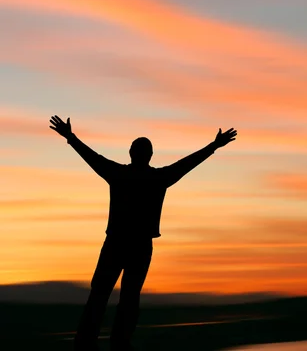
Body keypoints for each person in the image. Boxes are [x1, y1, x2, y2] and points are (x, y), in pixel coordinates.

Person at [49, 115, 237, 351]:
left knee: (105, 294)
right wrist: (213, 147)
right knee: (125, 296)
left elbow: (92, 158)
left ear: (131, 153)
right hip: (135, 245)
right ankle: (115, 342)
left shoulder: (123, 174)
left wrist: (70, 138)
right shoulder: (156, 178)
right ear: (148, 155)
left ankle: (92, 341)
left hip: (119, 243)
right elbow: (186, 164)